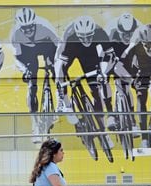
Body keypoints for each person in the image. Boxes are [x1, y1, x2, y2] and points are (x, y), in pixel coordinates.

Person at [55, 15, 116, 146]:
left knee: (97, 86)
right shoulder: (70, 38)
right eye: (83, 37)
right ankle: (67, 105)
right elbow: (61, 66)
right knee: (60, 75)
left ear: (93, 32)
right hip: (72, 50)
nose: (86, 40)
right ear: (77, 34)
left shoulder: (100, 32)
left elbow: (110, 56)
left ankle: (109, 118)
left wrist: (103, 73)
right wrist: (61, 84)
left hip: (91, 55)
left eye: (89, 36)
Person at [11, 7, 59, 144]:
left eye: (31, 27)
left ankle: (60, 97)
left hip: (46, 46)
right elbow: (17, 58)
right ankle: (35, 124)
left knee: (55, 70)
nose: (28, 31)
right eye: (24, 28)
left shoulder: (45, 27)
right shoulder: (15, 35)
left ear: (35, 23)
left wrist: (56, 64)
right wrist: (24, 70)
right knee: (32, 83)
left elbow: (59, 47)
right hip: (28, 52)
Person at [106, 12, 143, 133]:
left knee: (127, 87)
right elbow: (106, 57)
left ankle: (132, 121)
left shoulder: (140, 31)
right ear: (119, 31)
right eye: (124, 34)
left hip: (130, 53)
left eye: (130, 34)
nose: (127, 36)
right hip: (115, 52)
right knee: (106, 75)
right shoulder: (111, 32)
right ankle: (111, 115)